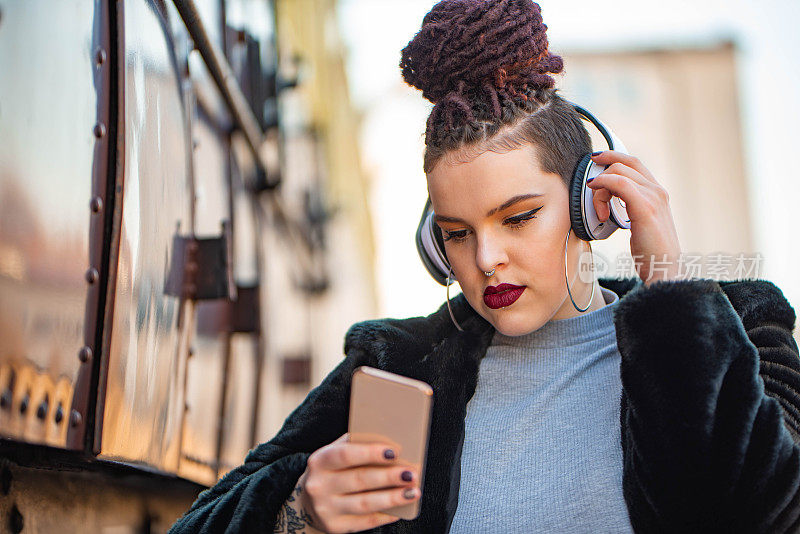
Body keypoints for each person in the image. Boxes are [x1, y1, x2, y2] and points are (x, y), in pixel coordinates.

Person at [169, 1, 800, 532]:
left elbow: (769, 509)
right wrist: (296, 512)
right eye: (457, 233)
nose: (486, 259)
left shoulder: (741, 327)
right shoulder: (393, 363)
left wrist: (672, 287)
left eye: (519, 217)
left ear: (592, 203)